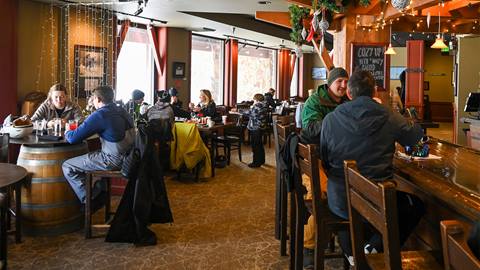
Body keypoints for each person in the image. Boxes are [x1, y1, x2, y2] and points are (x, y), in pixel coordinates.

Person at [320, 70, 425, 263]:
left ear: (349, 94)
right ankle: (375, 247)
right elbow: (416, 138)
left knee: (350, 202)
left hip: (339, 201)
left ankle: (356, 252)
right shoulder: (389, 115)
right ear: (374, 92)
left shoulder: (330, 119)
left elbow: (325, 162)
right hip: (376, 201)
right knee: (414, 206)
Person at [62, 86, 135, 206]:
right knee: (93, 154)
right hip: (130, 158)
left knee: (68, 166)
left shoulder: (100, 115)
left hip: (113, 160)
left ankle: (90, 201)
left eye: (93, 98)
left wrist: (67, 130)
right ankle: (100, 191)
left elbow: (72, 138)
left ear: (98, 99)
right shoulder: (122, 110)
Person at [300, 67, 349, 144]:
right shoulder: (314, 101)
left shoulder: (348, 101)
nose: (344, 85)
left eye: (346, 82)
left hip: (343, 144)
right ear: (330, 83)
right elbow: (311, 130)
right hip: (322, 147)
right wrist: (338, 120)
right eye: (339, 81)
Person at [241, 94, 268, 168]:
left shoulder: (258, 105)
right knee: (259, 144)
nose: (253, 101)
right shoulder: (264, 105)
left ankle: (256, 163)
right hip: (261, 127)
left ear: (257, 99)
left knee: (255, 145)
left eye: (254, 100)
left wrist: (239, 111)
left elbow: (250, 113)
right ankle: (261, 160)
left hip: (255, 127)